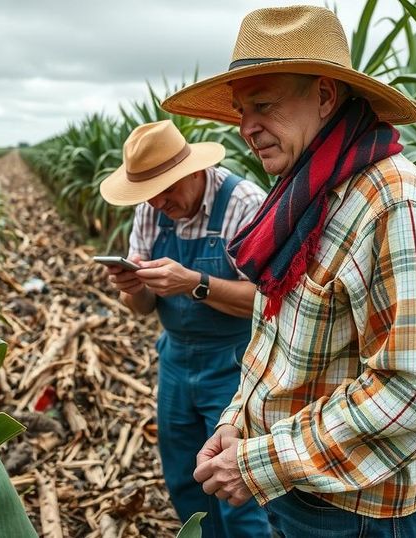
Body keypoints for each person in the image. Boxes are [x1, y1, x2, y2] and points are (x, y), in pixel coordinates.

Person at [160, 6, 416, 538]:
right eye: (240, 110)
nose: (246, 128)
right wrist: (236, 422)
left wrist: (262, 462)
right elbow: (274, 341)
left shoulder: (395, 206)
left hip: (355, 513)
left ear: (326, 96)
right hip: (297, 490)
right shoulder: (306, 195)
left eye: (263, 105)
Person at [98, 120, 270, 538]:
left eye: (167, 189)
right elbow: (140, 309)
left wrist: (194, 283)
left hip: (236, 363)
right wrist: (131, 288)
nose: (159, 202)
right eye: (148, 193)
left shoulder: (245, 204)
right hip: (174, 359)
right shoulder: (150, 211)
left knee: (237, 491)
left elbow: (270, 304)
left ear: (193, 171)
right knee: (185, 478)